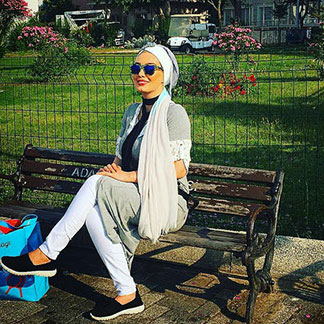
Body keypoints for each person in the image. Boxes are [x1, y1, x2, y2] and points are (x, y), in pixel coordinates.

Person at [0, 44, 192, 321]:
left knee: (96, 184)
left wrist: (127, 176)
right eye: (136, 68)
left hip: (168, 200)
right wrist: (114, 170)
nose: (141, 73)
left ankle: (46, 255)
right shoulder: (132, 113)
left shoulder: (174, 113)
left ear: (165, 76)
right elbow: (121, 160)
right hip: (135, 193)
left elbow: (178, 168)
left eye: (150, 68)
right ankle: (127, 293)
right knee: (93, 207)